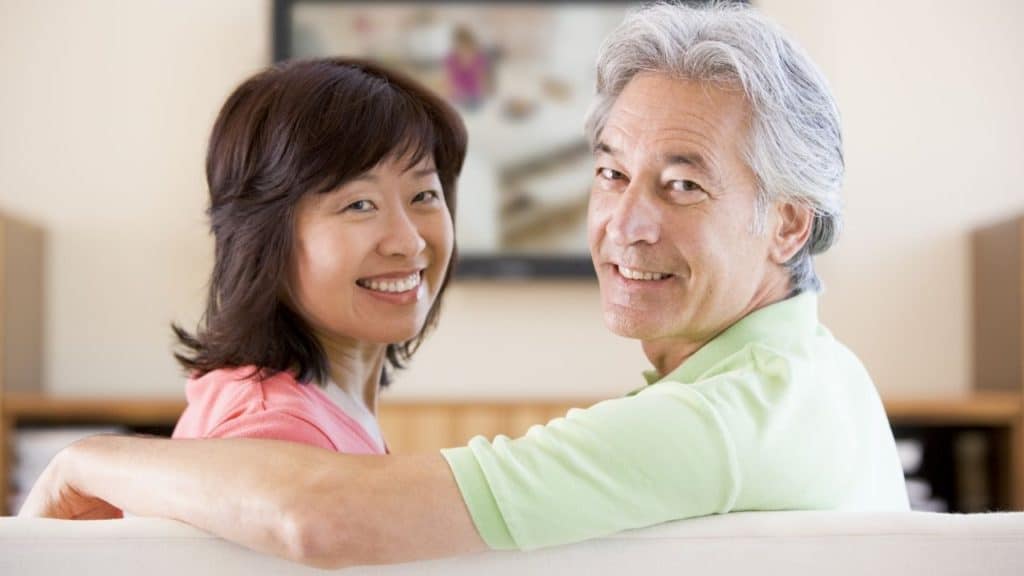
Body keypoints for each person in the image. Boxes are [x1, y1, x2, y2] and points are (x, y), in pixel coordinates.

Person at [19, 2, 909, 569]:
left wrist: (92, 458)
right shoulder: (810, 381)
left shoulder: (729, 417)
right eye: (609, 173)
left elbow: (329, 518)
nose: (626, 223)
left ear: (790, 223)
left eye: (683, 184)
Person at [165, 57, 465, 456]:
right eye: (359, 204)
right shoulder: (275, 434)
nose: (408, 242)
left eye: (423, 195)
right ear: (264, 236)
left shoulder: (314, 408)